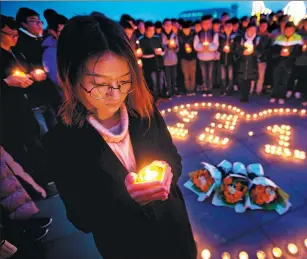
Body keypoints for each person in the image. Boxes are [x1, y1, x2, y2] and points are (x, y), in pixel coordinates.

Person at [43, 14, 197, 259]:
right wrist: (126, 198)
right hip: (127, 246)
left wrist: (167, 170)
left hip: (174, 230)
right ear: (70, 77)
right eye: (100, 84)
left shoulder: (144, 111)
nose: (115, 94)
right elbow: (81, 218)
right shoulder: (61, 143)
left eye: (124, 81)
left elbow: (174, 159)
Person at [0, 15, 51, 189]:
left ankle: (43, 182)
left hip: (25, 107)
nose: (15, 38)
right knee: (20, 151)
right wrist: (7, 82)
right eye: (10, 34)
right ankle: (31, 187)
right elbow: (9, 80)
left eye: (16, 34)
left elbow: (23, 73)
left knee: (36, 143)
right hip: (7, 114)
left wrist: (32, 77)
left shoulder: (15, 52)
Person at [270, 22, 303, 104]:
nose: (289, 31)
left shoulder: (298, 38)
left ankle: (281, 96)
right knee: (276, 80)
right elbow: (273, 51)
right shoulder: (279, 38)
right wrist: (279, 54)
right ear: (284, 30)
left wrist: (290, 54)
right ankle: (274, 95)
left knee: (285, 81)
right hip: (278, 62)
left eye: (291, 30)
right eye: (287, 30)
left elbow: (299, 52)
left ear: (294, 30)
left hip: (289, 63)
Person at [287, 15, 307, 100]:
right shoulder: (298, 34)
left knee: (302, 75)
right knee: (293, 74)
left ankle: (298, 90)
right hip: (296, 58)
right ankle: (289, 89)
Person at [42, 10, 68, 97]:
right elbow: (59, 81)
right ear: (52, 32)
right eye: (61, 31)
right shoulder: (50, 53)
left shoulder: (72, 44)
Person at [233, 22, 261, 103]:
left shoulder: (257, 40)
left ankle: (245, 96)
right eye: (250, 30)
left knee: (248, 80)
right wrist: (242, 53)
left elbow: (260, 52)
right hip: (241, 63)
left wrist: (253, 51)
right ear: (247, 30)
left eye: (254, 30)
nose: (252, 32)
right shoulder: (240, 39)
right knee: (241, 79)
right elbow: (235, 50)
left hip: (251, 63)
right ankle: (242, 93)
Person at [138, 21, 165, 98]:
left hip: (159, 63)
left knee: (160, 80)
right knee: (153, 81)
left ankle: (161, 93)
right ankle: (154, 96)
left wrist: (160, 52)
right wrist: (152, 53)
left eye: (153, 30)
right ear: (146, 30)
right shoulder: (141, 40)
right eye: (150, 30)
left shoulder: (157, 38)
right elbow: (140, 53)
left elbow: (163, 49)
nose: (152, 32)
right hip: (148, 64)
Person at [194, 15, 219, 96]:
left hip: (211, 57)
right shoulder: (198, 34)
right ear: (201, 24)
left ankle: (210, 89)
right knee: (204, 74)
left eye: (208, 23)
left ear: (210, 23)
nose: (206, 25)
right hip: (201, 58)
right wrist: (202, 47)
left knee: (210, 74)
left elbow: (216, 45)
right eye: (204, 23)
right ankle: (205, 89)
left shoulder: (214, 34)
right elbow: (195, 46)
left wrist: (208, 48)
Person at [161, 19, 179, 97]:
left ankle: (175, 89)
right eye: (167, 25)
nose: (169, 27)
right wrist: (167, 46)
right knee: (167, 77)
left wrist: (175, 47)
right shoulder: (161, 36)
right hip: (166, 60)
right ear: (163, 26)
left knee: (174, 76)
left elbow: (178, 48)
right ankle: (169, 91)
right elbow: (161, 48)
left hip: (174, 59)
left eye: (170, 25)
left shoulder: (174, 35)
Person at [254, 19, 272, 95]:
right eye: (262, 26)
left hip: (263, 58)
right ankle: (251, 89)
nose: (263, 27)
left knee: (261, 75)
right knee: (253, 73)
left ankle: (258, 90)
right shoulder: (255, 35)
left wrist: (262, 54)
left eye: (265, 26)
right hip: (253, 57)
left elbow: (269, 48)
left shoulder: (268, 36)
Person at [178, 21, 197, 96]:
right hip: (183, 58)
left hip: (192, 58)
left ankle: (192, 90)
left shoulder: (193, 35)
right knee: (186, 75)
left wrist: (191, 48)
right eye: (185, 29)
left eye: (188, 29)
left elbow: (195, 45)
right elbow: (178, 46)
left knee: (192, 74)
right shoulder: (180, 36)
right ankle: (188, 90)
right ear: (182, 29)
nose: (186, 31)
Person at [218, 19, 236, 96]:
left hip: (231, 59)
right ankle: (223, 90)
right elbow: (218, 47)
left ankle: (229, 91)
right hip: (222, 59)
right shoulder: (221, 36)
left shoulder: (235, 37)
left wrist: (230, 50)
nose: (228, 28)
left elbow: (236, 48)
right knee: (223, 76)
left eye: (230, 26)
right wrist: (222, 49)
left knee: (230, 76)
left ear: (232, 27)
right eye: (227, 26)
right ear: (224, 27)